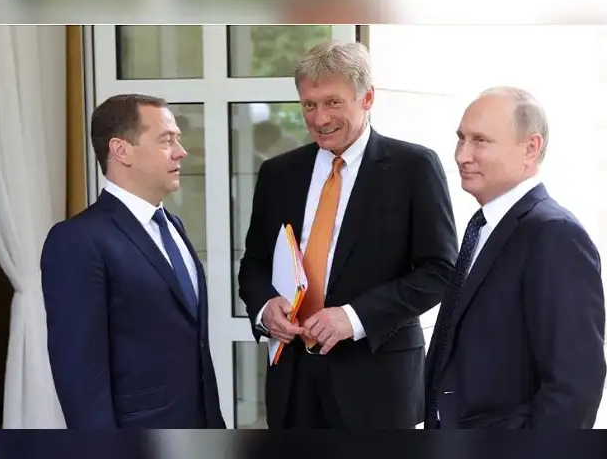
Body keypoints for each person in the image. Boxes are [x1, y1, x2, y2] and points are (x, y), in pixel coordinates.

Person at [237, 40, 458, 429]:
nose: (319, 118)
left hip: (377, 384)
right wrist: (264, 307)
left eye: (333, 103)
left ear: (367, 97)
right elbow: (253, 264)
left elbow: (440, 272)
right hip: (293, 382)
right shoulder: (278, 174)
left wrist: (353, 317)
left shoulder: (414, 167)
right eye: (309, 104)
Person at [424, 86, 606, 429]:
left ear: (531, 148)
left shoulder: (555, 235)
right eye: (461, 139)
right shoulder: (482, 225)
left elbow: (574, 389)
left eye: (480, 141)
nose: (462, 155)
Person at [41, 94, 225, 429]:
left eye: (178, 140)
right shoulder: (77, 241)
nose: (181, 152)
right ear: (121, 150)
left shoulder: (174, 226)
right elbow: (79, 374)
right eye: (166, 140)